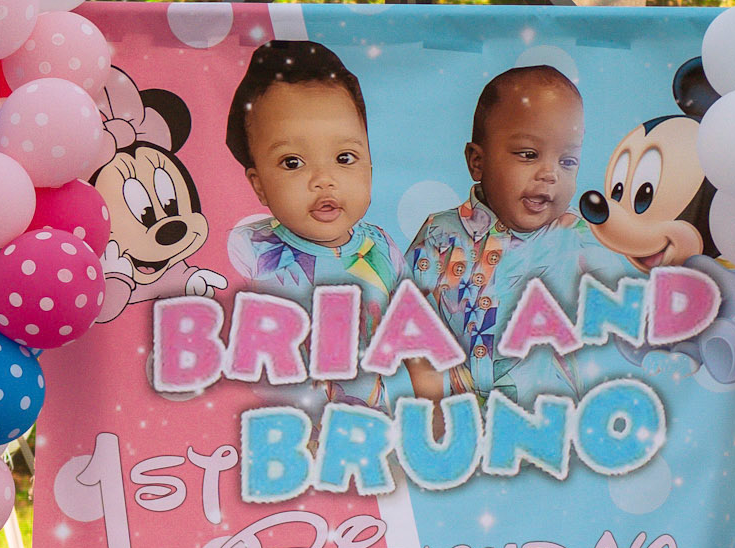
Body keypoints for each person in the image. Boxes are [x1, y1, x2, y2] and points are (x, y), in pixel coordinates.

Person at [225, 39, 409, 404]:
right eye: (292, 162)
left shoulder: (381, 248)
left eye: (345, 158)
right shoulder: (249, 251)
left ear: (370, 165)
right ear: (259, 185)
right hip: (281, 424)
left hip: (370, 423)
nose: (324, 180)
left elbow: (412, 333)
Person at [405, 64, 592, 397]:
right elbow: (404, 327)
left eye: (567, 161)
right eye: (529, 155)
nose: (550, 174)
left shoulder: (578, 239)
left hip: (553, 417)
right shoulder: (440, 238)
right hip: (459, 417)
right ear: (477, 162)